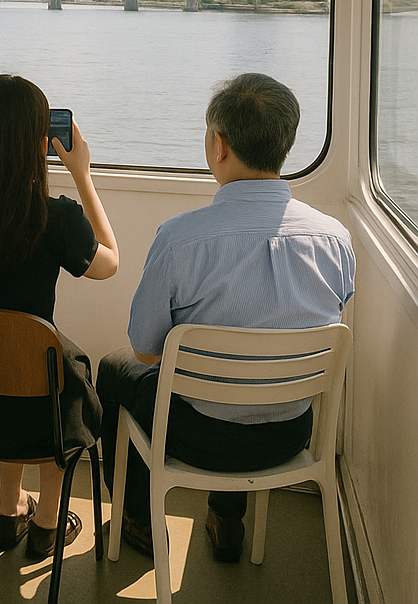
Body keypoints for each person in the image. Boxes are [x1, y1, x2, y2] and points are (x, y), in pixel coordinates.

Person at [97, 72, 356, 564]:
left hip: (197, 438)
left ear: (218, 144)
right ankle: (227, 521)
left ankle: (135, 519)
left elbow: (145, 349)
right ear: (287, 143)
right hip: (290, 433)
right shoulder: (335, 239)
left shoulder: (180, 239)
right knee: (248, 369)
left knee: (115, 369)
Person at [0, 73, 120, 559]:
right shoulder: (54, 217)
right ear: (37, 141)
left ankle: (9, 512)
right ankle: (47, 524)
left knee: (8, 355)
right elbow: (109, 264)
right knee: (57, 374)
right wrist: (83, 175)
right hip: (33, 406)